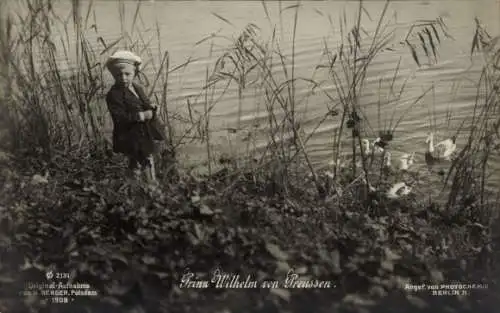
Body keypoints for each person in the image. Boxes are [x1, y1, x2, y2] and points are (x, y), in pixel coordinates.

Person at [105, 50, 165, 186]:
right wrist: (141, 115)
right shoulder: (114, 95)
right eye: (118, 75)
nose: (123, 78)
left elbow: (145, 102)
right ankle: (145, 187)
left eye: (127, 74)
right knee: (139, 162)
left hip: (144, 133)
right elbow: (119, 118)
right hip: (129, 135)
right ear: (114, 75)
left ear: (135, 73)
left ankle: (142, 186)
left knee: (145, 159)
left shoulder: (137, 87)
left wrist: (152, 107)